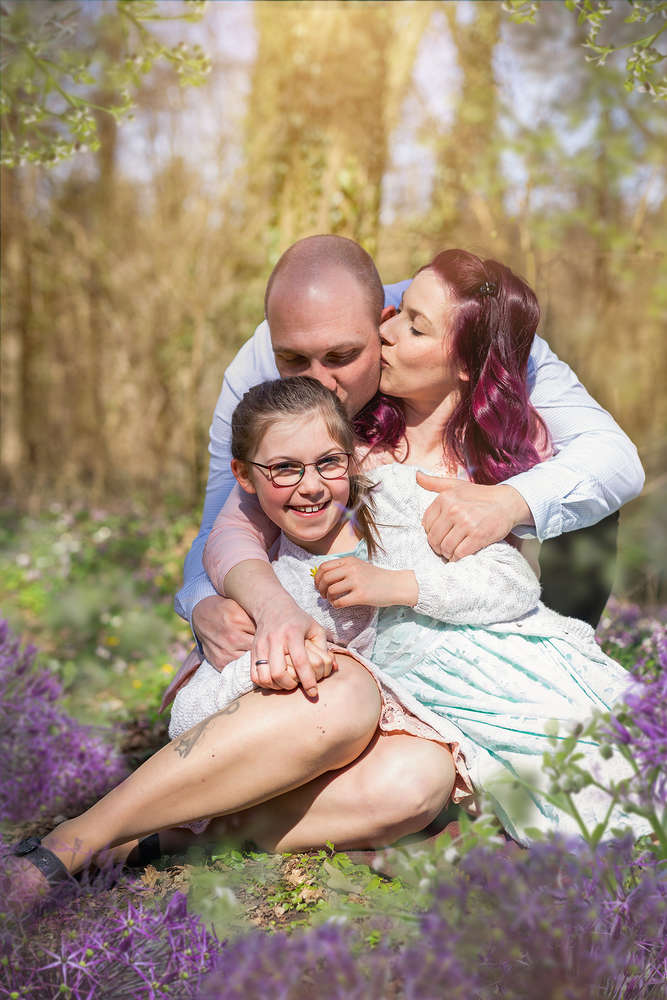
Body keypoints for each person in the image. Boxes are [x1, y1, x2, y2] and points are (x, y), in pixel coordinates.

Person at [171, 374, 640, 845]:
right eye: (284, 469)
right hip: (479, 724)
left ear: (351, 458)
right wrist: (265, 670)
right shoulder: (279, 589)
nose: (311, 486)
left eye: (329, 462)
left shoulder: (398, 495)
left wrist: (398, 585)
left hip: (544, 670)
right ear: (243, 476)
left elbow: (515, 584)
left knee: (640, 744)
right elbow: (190, 716)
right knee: (604, 817)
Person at [174, 235, 643, 696]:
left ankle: (563, 665)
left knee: (582, 500)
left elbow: (611, 459)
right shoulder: (274, 378)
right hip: (351, 646)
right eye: (293, 359)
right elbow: (227, 520)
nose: (317, 382)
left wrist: (510, 502)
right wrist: (208, 606)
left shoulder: (485, 332)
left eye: (343, 356)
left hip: (474, 632)